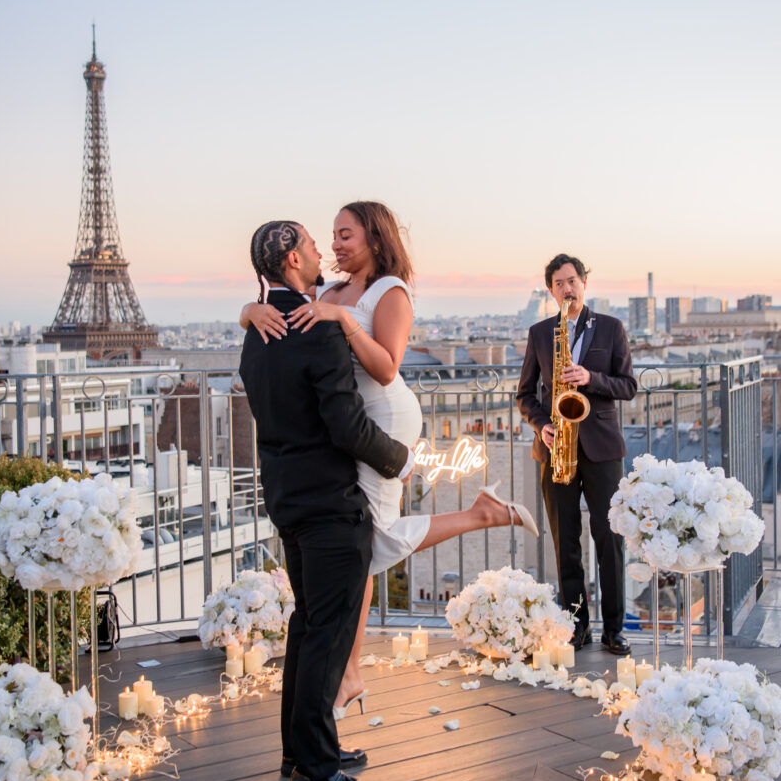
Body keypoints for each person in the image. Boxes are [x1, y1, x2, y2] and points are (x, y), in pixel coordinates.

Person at [241, 201, 537, 717]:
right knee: (361, 545)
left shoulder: (388, 292)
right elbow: (288, 308)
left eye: (345, 235)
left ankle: (345, 675)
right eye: (330, 236)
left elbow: (386, 367)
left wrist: (342, 321)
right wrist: (249, 309)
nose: (334, 245)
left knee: (365, 542)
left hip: (379, 419)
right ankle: (347, 672)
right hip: (351, 424)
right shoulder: (329, 290)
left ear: (375, 239)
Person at [240, 219, 411, 781]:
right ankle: (314, 771)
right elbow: (348, 426)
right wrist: (400, 460)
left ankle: (304, 749)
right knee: (327, 637)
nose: (320, 252)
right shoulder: (317, 333)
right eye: (313, 244)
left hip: (287, 499)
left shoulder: (257, 332)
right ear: (292, 260)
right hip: (330, 506)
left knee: (308, 626)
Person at [516, 254, 636, 656]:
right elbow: (525, 395)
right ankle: (576, 625)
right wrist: (541, 425)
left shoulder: (612, 328)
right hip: (556, 449)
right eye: (559, 284)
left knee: (609, 539)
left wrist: (590, 378)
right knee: (566, 540)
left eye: (573, 280)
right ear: (551, 290)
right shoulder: (539, 333)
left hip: (601, 448)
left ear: (585, 282)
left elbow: (628, 386)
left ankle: (614, 630)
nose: (567, 289)